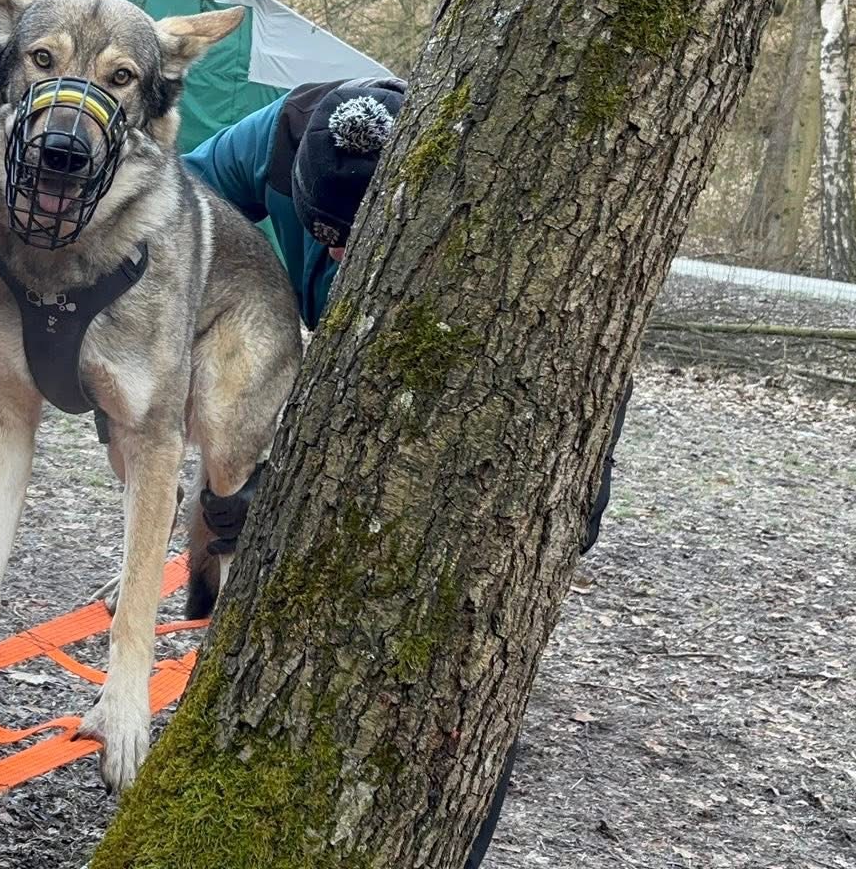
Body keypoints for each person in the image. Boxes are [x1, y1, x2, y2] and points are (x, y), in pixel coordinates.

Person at [183, 76, 630, 867]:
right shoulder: (284, 131)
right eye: (321, 233)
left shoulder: (485, 193)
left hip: (481, 412)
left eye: (354, 238)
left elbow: (587, 368)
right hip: (348, 378)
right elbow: (182, 196)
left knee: (448, 653)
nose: (337, 254)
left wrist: (576, 495)